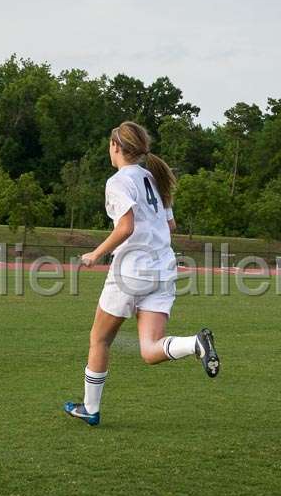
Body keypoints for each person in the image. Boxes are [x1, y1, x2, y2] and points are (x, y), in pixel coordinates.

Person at [64, 121, 220, 427]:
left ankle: (90, 409)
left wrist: (96, 253)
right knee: (150, 350)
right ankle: (195, 344)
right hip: (163, 269)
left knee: (99, 339)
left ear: (116, 147)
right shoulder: (154, 177)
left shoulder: (118, 181)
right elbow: (170, 226)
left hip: (132, 271)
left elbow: (126, 227)